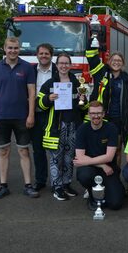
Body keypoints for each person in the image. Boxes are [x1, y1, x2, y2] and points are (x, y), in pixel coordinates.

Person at [0, 37, 39, 199]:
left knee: (24, 151)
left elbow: (31, 92)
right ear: (4, 49)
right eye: (10, 48)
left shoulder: (28, 68)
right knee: (3, 152)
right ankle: (3, 186)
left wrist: (31, 114)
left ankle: (28, 185)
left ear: (19, 49)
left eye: (15, 48)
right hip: (1, 116)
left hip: (22, 117)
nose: (13, 51)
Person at [37, 53, 85, 200]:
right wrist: (48, 98)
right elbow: (39, 104)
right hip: (57, 126)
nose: (64, 66)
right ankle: (57, 187)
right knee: (56, 158)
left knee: (69, 157)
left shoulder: (77, 83)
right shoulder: (49, 83)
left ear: (70, 65)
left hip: (73, 124)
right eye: (61, 63)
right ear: (56, 65)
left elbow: (84, 106)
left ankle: (66, 183)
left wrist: (83, 99)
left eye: (66, 63)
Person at [73, 101, 125, 211]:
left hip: (109, 169)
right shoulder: (82, 129)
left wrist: (103, 164)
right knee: (84, 175)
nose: (96, 116)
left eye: (99, 113)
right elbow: (80, 157)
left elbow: (109, 157)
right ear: (88, 114)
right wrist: (102, 165)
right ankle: (92, 195)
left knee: (116, 204)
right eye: (92, 113)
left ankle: (110, 191)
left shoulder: (111, 129)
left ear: (103, 114)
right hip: (91, 169)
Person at [31, 43, 58, 191]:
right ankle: (40, 180)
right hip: (35, 114)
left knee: (55, 150)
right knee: (38, 150)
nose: (43, 56)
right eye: (41, 53)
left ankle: (57, 181)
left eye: (46, 53)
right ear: (37, 55)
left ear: (51, 55)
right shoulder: (30, 70)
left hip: (52, 114)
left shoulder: (57, 70)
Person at [104, 52, 128, 166]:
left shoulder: (126, 79)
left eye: (119, 61)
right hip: (104, 118)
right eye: (114, 60)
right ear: (109, 61)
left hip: (119, 119)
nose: (116, 62)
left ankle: (116, 174)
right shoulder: (103, 75)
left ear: (123, 64)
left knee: (117, 149)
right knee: (103, 148)